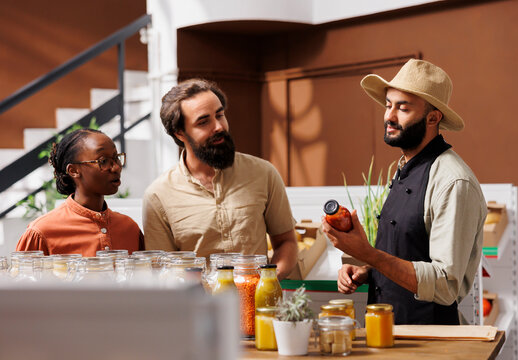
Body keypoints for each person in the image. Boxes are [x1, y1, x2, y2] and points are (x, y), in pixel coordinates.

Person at [323, 59, 487, 324]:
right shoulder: (407, 167)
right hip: (388, 333)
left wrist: (369, 254)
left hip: (428, 342)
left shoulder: (454, 182)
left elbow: (445, 285)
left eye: (403, 108)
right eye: (389, 105)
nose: (389, 116)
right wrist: (369, 270)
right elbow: (409, 254)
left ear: (433, 118)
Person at [143, 78, 298, 280]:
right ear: (180, 133)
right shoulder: (158, 196)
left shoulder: (263, 173)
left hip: (258, 306)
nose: (218, 126)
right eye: (203, 121)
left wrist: (267, 282)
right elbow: (162, 273)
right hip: (197, 308)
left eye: (220, 115)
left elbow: (287, 242)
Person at [16, 129, 144, 256]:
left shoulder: (130, 229)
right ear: (73, 171)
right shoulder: (42, 232)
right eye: (103, 161)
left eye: (116, 158)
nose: (116, 167)